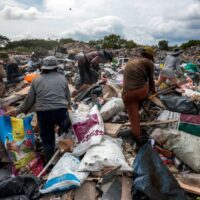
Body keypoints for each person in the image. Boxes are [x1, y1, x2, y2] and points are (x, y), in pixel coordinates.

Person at [7, 56, 71, 162]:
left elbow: (29, 100)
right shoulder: (62, 78)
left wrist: (18, 111)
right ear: (56, 67)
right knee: (65, 133)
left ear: (43, 67)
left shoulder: (36, 80)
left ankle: (49, 163)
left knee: (47, 139)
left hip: (43, 113)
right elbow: (68, 100)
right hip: (61, 111)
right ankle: (65, 156)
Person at [122, 47, 156, 147]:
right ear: (150, 56)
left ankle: (138, 137)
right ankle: (142, 109)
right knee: (147, 85)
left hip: (126, 94)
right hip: (139, 93)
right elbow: (151, 81)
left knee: (133, 116)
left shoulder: (131, 60)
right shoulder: (149, 63)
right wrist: (154, 92)